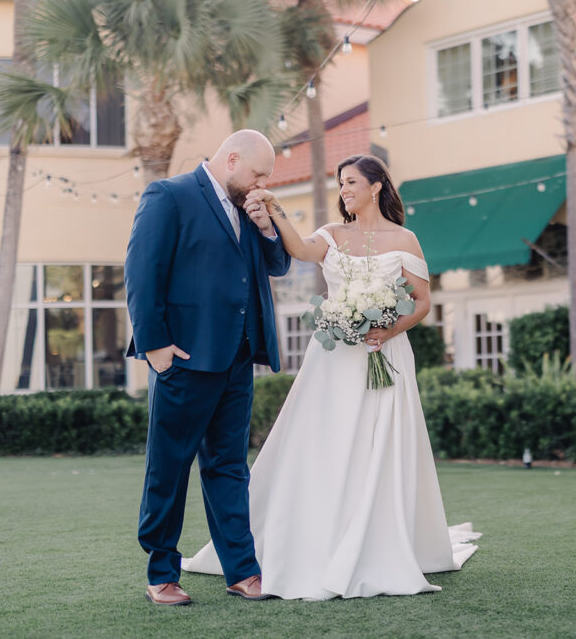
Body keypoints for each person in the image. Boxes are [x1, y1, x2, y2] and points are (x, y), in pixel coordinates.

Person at [182, 154, 480, 600]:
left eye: (352, 182)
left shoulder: (404, 239)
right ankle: (313, 534)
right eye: (341, 183)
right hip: (334, 357)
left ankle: (377, 538)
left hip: (385, 354)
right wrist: (275, 208)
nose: (344, 190)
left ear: (376, 186)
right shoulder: (331, 235)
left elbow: (421, 302)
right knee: (325, 441)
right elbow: (299, 251)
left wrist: (389, 327)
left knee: (378, 446)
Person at [124, 129, 291, 606]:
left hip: (239, 357)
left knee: (229, 467)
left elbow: (276, 266)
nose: (261, 184)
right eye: (258, 174)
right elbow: (141, 271)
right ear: (232, 158)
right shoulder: (169, 195)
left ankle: (242, 571)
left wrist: (265, 225)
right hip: (185, 357)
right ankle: (161, 572)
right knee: (169, 468)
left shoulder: (249, 207)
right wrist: (154, 344)